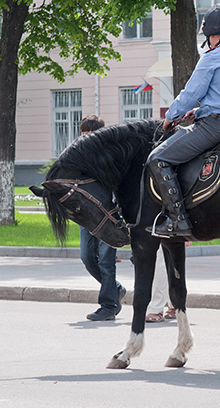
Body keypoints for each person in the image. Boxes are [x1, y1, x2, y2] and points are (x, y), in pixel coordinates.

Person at [145, 4, 220, 238]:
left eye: (209, 35)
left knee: (157, 158)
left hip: (217, 126)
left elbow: (190, 94)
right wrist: (198, 112)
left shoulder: (213, 57)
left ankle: (178, 221)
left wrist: (170, 117)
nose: (208, 39)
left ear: (216, 34)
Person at [79, 115, 126, 321]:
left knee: (106, 262)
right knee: (87, 257)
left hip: (109, 215)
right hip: (87, 215)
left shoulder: (111, 156)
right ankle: (116, 289)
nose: (85, 137)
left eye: (90, 133)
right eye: (83, 133)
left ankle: (108, 306)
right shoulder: (78, 155)